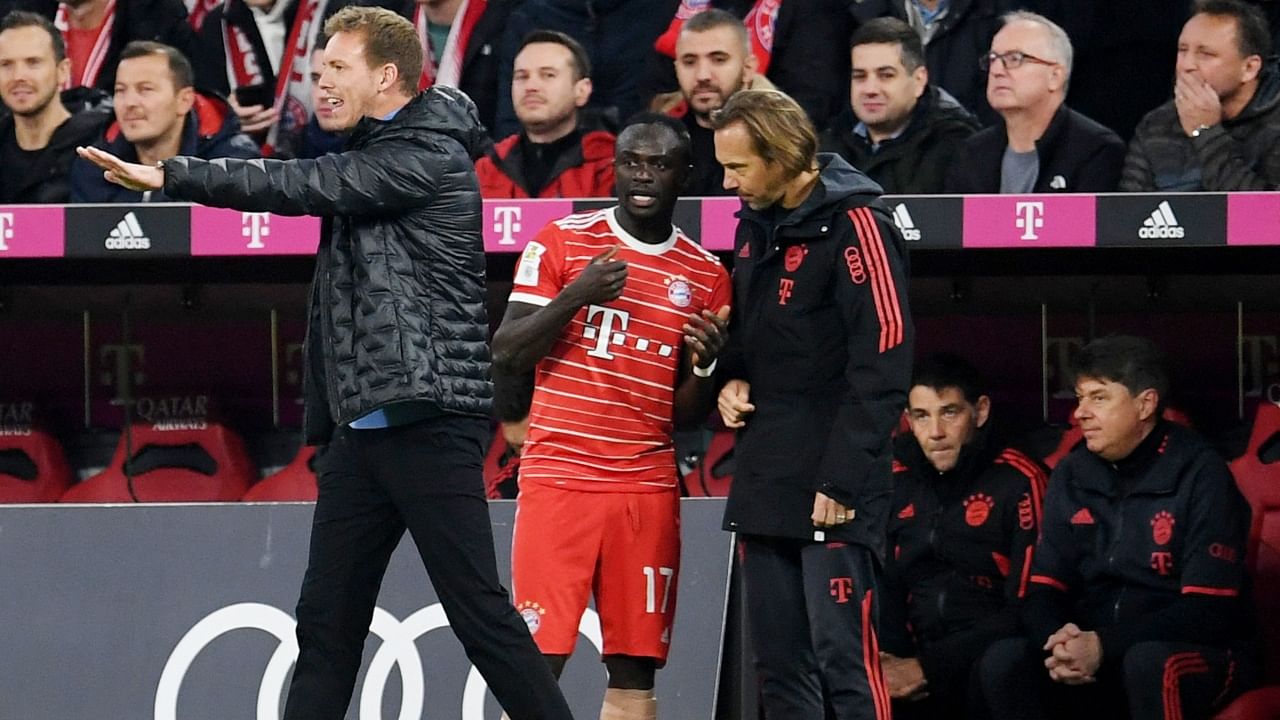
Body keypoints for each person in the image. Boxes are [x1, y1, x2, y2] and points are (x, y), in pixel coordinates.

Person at [75, 7, 574, 719]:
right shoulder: (378, 150)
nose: (319, 85)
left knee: (480, 619)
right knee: (326, 626)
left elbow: (296, 186)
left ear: (387, 76)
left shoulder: (424, 155)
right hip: (363, 430)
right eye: (316, 70)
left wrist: (170, 175)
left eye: (337, 69)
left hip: (429, 420)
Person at [490, 113, 731, 720]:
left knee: (633, 671)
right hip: (560, 479)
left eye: (659, 165)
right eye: (631, 162)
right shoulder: (563, 243)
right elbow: (508, 351)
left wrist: (704, 369)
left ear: (685, 176)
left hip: (644, 488)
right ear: (614, 168)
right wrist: (578, 294)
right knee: (537, 663)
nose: (642, 176)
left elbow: (684, 416)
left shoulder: (708, 277)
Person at [711, 88, 914, 719]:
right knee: (779, 668)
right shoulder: (752, 224)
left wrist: (843, 478)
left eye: (739, 167)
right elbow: (748, 332)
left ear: (781, 155)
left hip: (836, 481)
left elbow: (884, 359)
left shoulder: (860, 225)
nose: (727, 182)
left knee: (844, 659)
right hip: (768, 472)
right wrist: (733, 377)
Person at [977, 335, 1258, 720]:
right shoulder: (1071, 473)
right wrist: (1061, 643)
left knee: (1149, 664)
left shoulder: (1201, 471)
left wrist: (1102, 647)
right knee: (1005, 660)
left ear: (1145, 404)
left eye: (1099, 397)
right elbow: (1043, 589)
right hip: (1098, 646)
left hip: (1195, 651)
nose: (1080, 413)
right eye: (1079, 397)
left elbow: (1207, 611)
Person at [880, 352, 1047, 719]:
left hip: (985, 654)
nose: (935, 432)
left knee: (1005, 663)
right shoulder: (893, 477)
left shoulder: (1021, 479)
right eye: (922, 416)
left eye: (950, 412)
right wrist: (893, 661)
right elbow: (885, 582)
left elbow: (1029, 607)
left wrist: (929, 666)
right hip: (915, 654)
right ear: (908, 419)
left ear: (981, 411)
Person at [945, 10, 1125, 193]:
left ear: (1055, 76)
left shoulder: (1095, 151)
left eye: (1015, 59)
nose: (997, 70)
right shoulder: (972, 153)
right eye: (993, 59)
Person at [69, 40, 259, 202]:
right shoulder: (94, 168)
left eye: (145, 89)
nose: (130, 103)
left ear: (184, 100)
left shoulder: (234, 162)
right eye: (120, 90)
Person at [1121, 0, 1280, 191]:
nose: (1187, 65)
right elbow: (1130, 214)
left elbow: (1265, 215)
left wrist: (1205, 133)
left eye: (1206, 54)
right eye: (1182, 50)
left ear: (1249, 68)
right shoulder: (1156, 125)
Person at [820, 16, 980, 195]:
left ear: (919, 80)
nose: (870, 89)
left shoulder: (957, 146)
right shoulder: (827, 146)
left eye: (886, 75)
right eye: (860, 76)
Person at [474, 29, 615, 198]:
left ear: (582, 90)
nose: (531, 86)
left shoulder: (610, 166)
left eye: (548, 75)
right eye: (522, 76)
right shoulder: (487, 169)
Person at [0, 10, 110, 203]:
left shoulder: (97, 148)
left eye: (33, 63)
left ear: (63, 71)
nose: (19, 76)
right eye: (6, 65)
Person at [661, 8, 772, 196]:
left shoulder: (779, 144)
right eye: (689, 62)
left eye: (718, 60)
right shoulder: (660, 141)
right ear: (676, 69)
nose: (703, 75)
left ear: (748, 68)